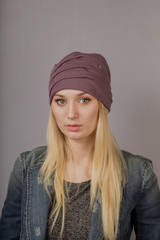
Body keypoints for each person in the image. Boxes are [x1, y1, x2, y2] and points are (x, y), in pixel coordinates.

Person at [0, 52, 160, 240]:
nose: (71, 114)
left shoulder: (139, 175)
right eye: (61, 101)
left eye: (84, 100)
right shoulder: (26, 168)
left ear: (103, 105)